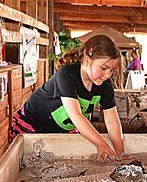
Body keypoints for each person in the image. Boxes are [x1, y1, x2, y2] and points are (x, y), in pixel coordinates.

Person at [9, 34, 126, 162]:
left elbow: (112, 121)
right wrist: (101, 144)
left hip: (61, 129)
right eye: (104, 68)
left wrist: (119, 154)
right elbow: (76, 115)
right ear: (87, 61)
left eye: (112, 70)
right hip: (32, 123)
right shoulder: (66, 76)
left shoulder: (105, 86)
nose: (107, 75)